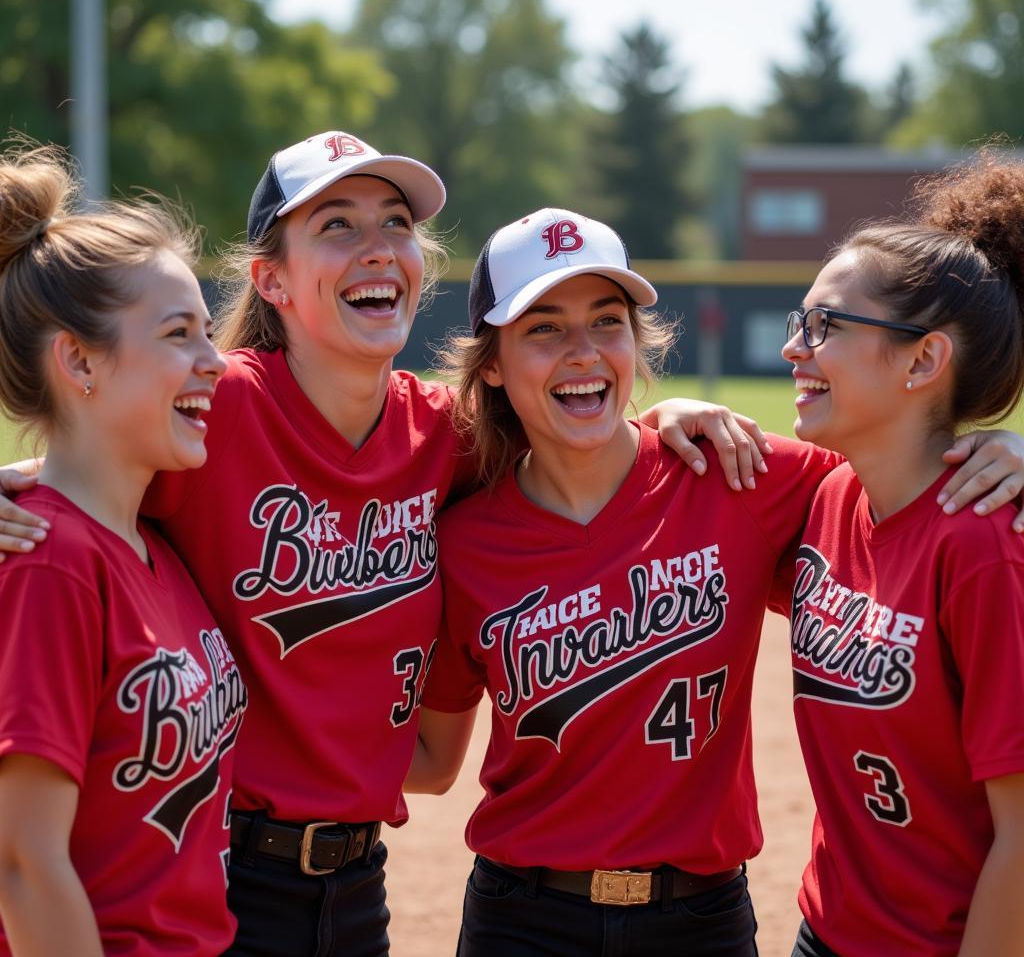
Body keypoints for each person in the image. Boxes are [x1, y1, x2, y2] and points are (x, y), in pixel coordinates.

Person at [0, 131, 783, 957]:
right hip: (222, 866)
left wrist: (665, 420)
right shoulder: (210, 404)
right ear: (271, 280)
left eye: (398, 223)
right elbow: (85, 462)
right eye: (337, 224)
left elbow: (574, 424)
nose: (379, 248)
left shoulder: (450, 439)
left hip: (357, 881)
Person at [406, 207, 1024, 957]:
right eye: (542, 327)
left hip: (700, 917)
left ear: (637, 340)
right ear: (493, 362)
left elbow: (913, 484)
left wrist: (1011, 450)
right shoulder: (466, 541)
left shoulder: (742, 477)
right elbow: (431, 758)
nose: (582, 351)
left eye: (607, 321)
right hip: (523, 915)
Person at [0, 142, 245, 956]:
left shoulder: (152, 547)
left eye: (209, 332)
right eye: (180, 334)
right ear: (78, 360)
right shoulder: (47, 561)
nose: (215, 361)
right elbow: (21, 865)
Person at [782, 155, 1024, 957]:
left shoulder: (983, 543)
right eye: (798, 319)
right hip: (825, 932)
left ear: (923, 362)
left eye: (824, 326)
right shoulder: (829, 499)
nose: (793, 348)